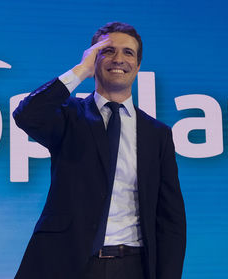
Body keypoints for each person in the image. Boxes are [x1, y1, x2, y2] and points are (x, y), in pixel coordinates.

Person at [13, 22, 186, 279]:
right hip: (68, 264)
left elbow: (170, 218)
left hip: (134, 266)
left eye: (128, 53)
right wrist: (80, 71)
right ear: (94, 59)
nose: (119, 59)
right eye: (107, 51)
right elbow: (27, 114)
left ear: (138, 66)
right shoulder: (70, 115)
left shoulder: (157, 134)